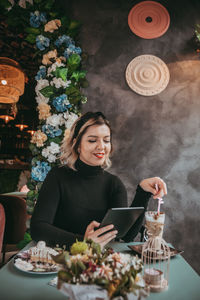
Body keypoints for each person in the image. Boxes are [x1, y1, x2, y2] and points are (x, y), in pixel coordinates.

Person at [30, 112, 167, 249]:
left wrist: (142, 193)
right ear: (77, 144)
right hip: (59, 261)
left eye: (106, 140)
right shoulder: (57, 176)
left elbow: (125, 236)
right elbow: (38, 228)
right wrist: (83, 242)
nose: (101, 146)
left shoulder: (114, 184)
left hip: (99, 265)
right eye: (92, 140)